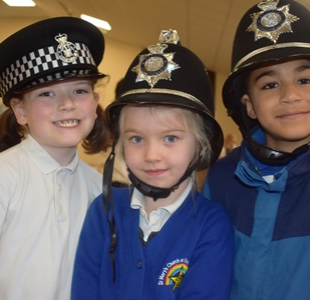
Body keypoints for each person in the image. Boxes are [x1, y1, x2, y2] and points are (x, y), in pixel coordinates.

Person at [202, 0, 310, 299]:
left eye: (305, 80)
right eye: (270, 85)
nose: (290, 95)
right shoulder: (221, 179)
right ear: (250, 106)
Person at [71, 29, 234, 300]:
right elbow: (83, 291)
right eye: (136, 138)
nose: (151, 154)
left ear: (201, 144)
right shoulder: (103, 210)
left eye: (170, 138)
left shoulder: (212, 225)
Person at [0, 16, 110, 300]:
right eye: (47, 93)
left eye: (80, 90)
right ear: (20, 111)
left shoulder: (97, 186)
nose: (67, 104)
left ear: (95, 102)